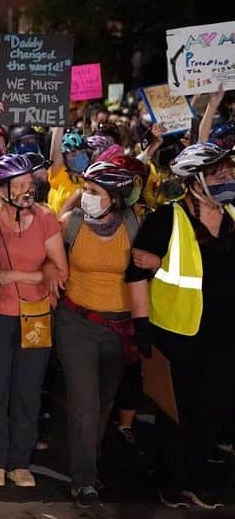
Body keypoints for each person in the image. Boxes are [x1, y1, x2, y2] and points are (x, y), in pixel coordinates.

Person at [127, 142, 235, 510]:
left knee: (213, 409)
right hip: (177, 333)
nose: (228, 176)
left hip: (224, 337)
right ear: (195, 180)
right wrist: (141, 325)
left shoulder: (233, 216)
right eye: (219, 171)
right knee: (176, 412)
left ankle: (196, 475)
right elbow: (135, 274)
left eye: (228, 169)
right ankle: (171, 480)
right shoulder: (166, 218)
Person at [0, 154, 67, 490]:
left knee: (28, 389)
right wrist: (38, 274)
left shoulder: (46, 217)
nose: (28, 190)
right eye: (20, 185)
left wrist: (13, 274)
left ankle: (20, 462)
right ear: (1, 189)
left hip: (37, 314)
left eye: (30, 184)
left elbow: (60, 271)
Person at [54, 160, 140, 509]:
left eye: (93, 192)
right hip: (77, 324)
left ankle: (89, 462)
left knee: (104, 403)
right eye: (85, 190)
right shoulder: (70, 224)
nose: (85, 196)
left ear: (115, 199)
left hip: (119, 328)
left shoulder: (135, 224)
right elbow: (49, 258)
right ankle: (84, 481)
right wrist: (49, 269)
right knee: (85, 404)